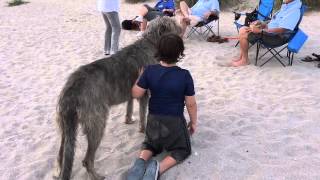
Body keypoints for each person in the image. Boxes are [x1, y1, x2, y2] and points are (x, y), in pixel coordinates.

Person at [127, 34, 197, 180]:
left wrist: (140, 77)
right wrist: (193, 122)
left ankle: (140, 163)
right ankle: (158, 169)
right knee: (182, 150)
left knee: (150, 144)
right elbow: (191, 103)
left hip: (153, 120)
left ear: (158, 51)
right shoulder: (184, 75)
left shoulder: (149, 70)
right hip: (174, 122)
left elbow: (136, 94)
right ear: (179, 53)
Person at [231, 0, 302, 67]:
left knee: (243, 31)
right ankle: (242, 57)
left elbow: (282, 30)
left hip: (276, 37)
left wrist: (261, 31)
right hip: (270, 32)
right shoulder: (286, 5)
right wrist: (263, 24)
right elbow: (275, 21)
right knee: (245, 29)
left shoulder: (294, 10)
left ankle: (244, 60)